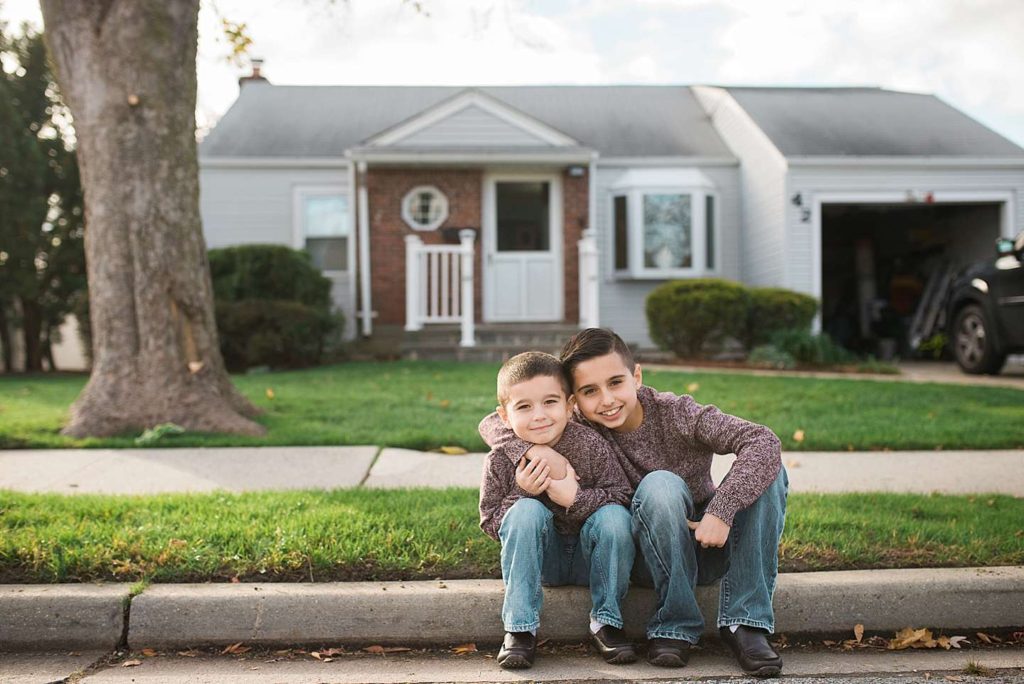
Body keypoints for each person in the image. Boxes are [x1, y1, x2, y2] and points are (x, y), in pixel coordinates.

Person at [480, 329, 788, 677]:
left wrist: (721, 509)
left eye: (615, 383)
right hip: (646, 555)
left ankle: (745, 623)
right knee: (660, 485)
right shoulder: (573, 423)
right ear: (574, 401)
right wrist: (534, 450)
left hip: (706, 541)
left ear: (636, 376)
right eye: (589, 391)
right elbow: (495, 421)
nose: (607, 399)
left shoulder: (678, 414)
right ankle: (673, 628)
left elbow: (762, 440)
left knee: (771, 469)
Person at [479, 351, 636, 669]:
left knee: (615, 517)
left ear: (569, 405)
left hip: (589, 559)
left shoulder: (590, 445)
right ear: (504, 417)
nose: (539, 416)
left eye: (550, 402)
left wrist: (576, 499)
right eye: (524, 406)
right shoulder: (500, 459)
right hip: (543, 562)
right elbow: (491, 522)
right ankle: (520, 630)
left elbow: (622, 497)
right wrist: (522, 492)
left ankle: (606, 622)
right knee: (525, 511)